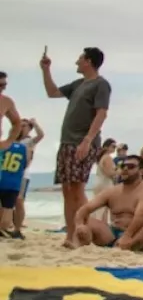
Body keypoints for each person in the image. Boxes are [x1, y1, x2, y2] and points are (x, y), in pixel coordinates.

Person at [40, 46, 112, 248]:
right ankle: (70, 235)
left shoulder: (101, 85)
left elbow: (101, 113)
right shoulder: (79, 84)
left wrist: (88, 139)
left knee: (77, 188)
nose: (76, 62)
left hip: (82, 141)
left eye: (80, 59)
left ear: (89, 61)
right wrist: (46, 70)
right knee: (67, 189)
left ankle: (83, 234)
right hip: (67, 141)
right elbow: (52, 92)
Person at [71, 154, 143, 251]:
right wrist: (79, 225)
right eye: (123, 166)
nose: (125, 169)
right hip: (115, 233)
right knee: (87, 223)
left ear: (141, 171)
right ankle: (77, 249)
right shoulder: (113, 191)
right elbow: (85, 209)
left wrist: (127, 236)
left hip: (141, 237)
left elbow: (141, 215)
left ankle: (124, 248)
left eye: (131, 166)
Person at [11, 118, 47, 235]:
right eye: (20, 125)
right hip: (9, 173)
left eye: (24, 126)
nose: (21, 128)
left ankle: (17, 229)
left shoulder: (28, 141)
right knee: (7, 201)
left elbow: (41, 135)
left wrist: (35, 123)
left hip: (22, 175)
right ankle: (10, 225)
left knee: (19, 201)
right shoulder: (12, 140)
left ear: (29, 129)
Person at [0, 137, 31, 238]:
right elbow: (26, 164)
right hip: (14, 182)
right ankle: (4, 229)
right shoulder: (24, 148)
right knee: (8, 208)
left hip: (2, 178)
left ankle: (4, 230)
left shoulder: (4, 145)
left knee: (4, 208)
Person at [0, 71, 21, 150]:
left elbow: (17, 122)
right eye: (0, 85)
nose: (4, 88)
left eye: (5, 85)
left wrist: (9, 142)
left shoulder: (6, 101)